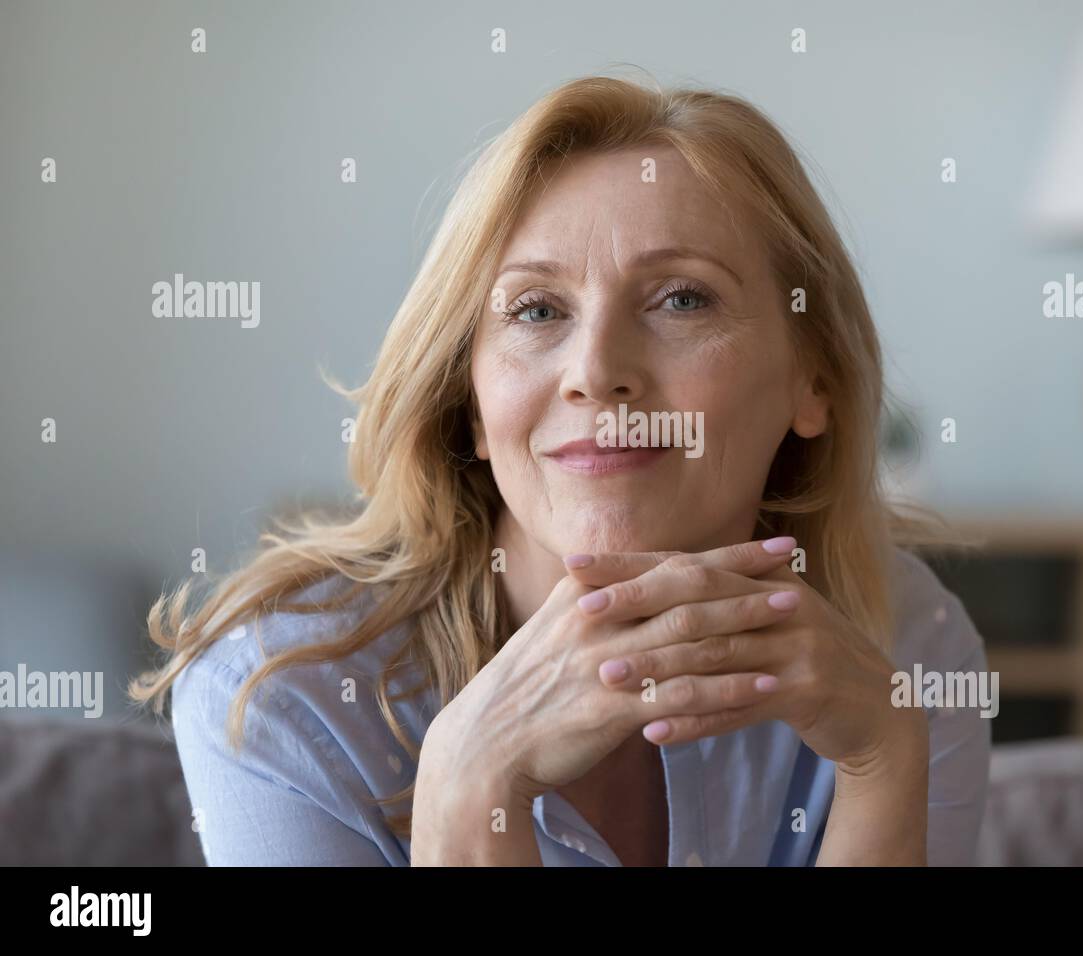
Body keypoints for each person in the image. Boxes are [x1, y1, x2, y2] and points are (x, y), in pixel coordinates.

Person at [130, 73, 991, 867]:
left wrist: (882, 763)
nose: (594, 369)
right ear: (470, 402)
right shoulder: (283, 696)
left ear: (816, 381)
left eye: (682, 299)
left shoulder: (905, 644)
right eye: (537, 309)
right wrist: (471, 792)